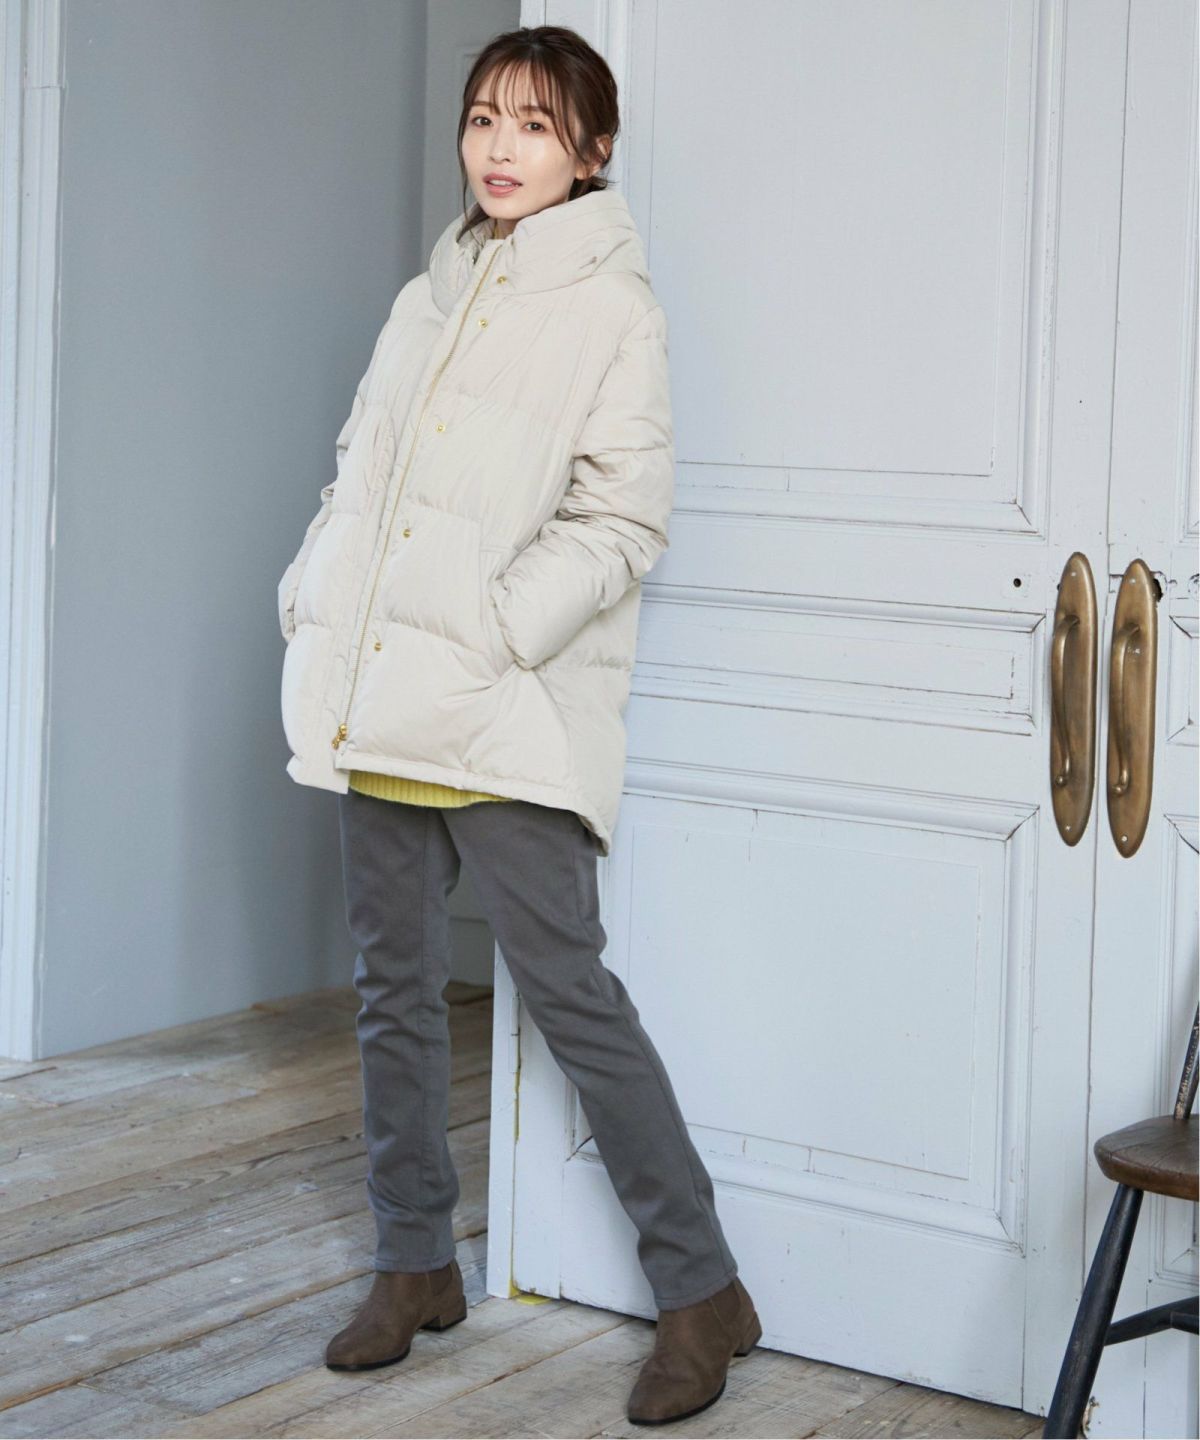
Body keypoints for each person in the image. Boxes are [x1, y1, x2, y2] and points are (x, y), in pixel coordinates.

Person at [276, 23, 759, 1426]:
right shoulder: (429, 293)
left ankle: (703, 1292)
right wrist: (314, 588)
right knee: (392, 988)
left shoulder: (613, 307)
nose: (499, 146)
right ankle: (414, 1262)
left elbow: (624, 516)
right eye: (486, 117)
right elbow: (362, 476)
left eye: (536, 125)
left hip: (504, 705)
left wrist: (495, 626)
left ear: (591, 152)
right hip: (381, 698)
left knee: (571, 1001)